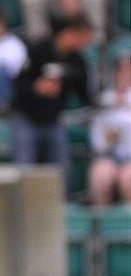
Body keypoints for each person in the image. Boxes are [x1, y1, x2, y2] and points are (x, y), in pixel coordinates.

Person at [11, 15, 93, 192]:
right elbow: (18, 86)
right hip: (27, 117)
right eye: (81, 37)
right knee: (24, 169)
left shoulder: (77, 60)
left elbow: (85, 94)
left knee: (63, 169)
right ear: (69, 33)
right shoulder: (38, 50)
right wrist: (36, 88)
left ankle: (60, 210)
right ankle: (24, 212)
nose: (83, 43)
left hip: (53, 120)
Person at [87, 50, 131, 205]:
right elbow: (98, 143)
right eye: (120, 71)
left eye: (128, 71)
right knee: (100, 174)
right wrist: (108, 138)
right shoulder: (104, 100)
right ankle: (101, 222)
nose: (124, 75)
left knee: (129, 178)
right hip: (110, 156)